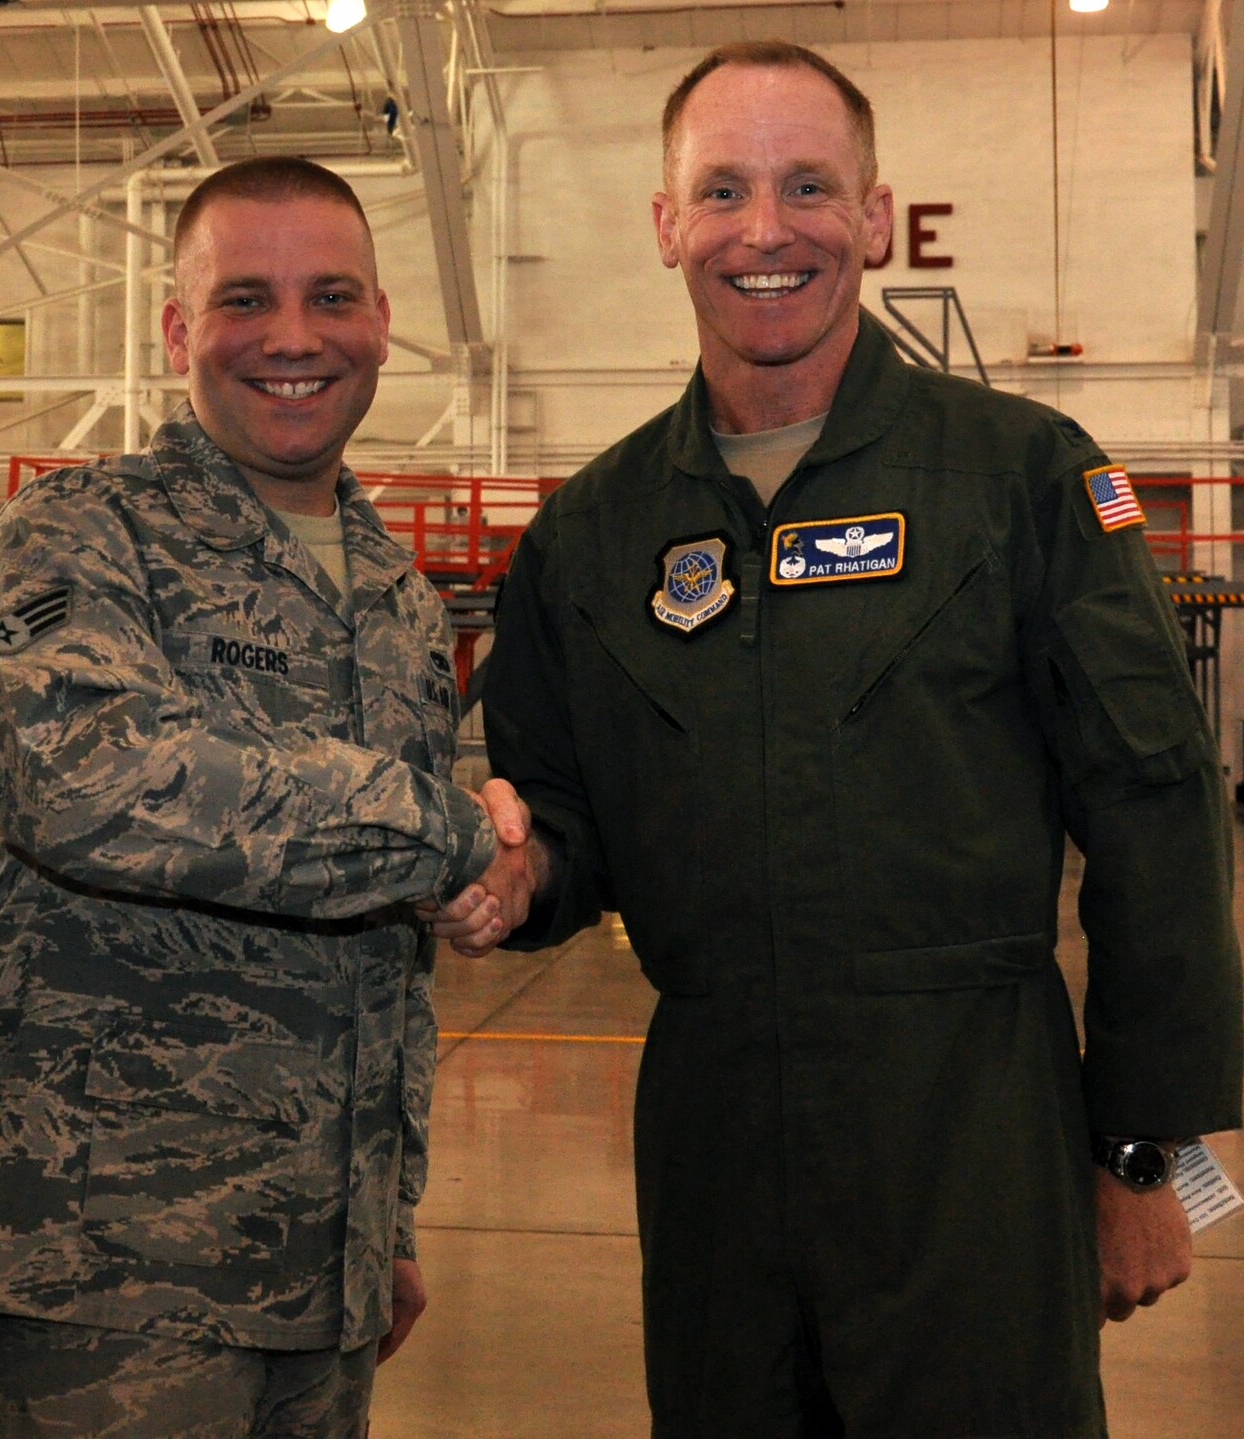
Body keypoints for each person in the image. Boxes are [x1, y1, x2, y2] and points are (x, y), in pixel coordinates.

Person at [447, 40, 1244, 1438]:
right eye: (724, 190)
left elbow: (1156, 808)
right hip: (709, 1141)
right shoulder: (592, 533)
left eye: (809, 185)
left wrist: (1146, 1153)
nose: (767, 231)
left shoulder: (1024, 479)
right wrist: (518, 878)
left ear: (874, 219)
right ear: (665, 225)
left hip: (973, 1129)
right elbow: (563, 818)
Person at [0, 156, 524, 1437]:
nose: (294, 338)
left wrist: (382, 1220)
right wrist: (453, 829)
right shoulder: (80, 535)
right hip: (105, 1281)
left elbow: (385, 968)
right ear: (177, 331)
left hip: (324, 1285)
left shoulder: (402, 605)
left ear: (379, 320)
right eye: (245, 300)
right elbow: (88, 780)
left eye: (330, 297)